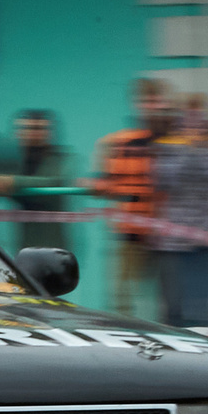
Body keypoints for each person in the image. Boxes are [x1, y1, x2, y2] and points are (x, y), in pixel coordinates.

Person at [152, 97, 208, 327]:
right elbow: (166, 181)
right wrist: (189, 151)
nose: (195, 130)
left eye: (200, 125)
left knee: (201, 305)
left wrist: (199, 151)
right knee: (173, 306)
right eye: (189, 125)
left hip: (204, 237)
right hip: (173, 240)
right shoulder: (166, 150)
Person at [91, 76, 164, 317]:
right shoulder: (115, 142)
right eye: (144, 100)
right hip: (128, 232)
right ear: (135, 103)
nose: (149, 105)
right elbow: (102, 182)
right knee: (123, 299)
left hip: (168, 234)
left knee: (163, 300)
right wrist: (95, 185)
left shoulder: (173, 143)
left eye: (154, 100)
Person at [0, 109, 73, 251]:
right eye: (26, 128)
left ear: (50, 132)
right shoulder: (15, 159)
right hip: (22, 243)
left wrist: (12, 182)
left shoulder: (61, 158)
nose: (32, 133)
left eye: (38, 128)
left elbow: (53, 184)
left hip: (53, 244)